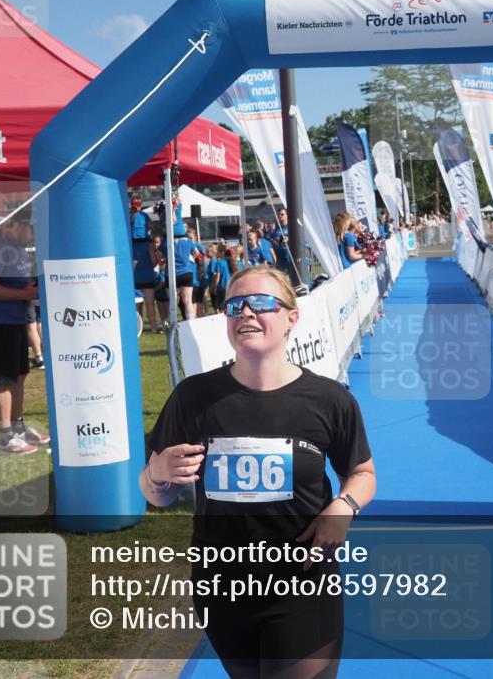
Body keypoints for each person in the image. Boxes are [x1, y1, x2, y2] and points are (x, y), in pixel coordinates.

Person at [140, 266, 375, 679]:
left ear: (291, 317)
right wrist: (157, 473)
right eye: (234, 305)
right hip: (221, 588)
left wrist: (343, 506)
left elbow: (362, 471)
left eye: (262, 303)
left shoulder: (329, 400)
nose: (246, 312)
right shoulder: (192, 398)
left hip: (303, 583)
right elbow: (156, 495)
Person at [0, 206, 49, 454]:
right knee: (4, 379)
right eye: (31, 228)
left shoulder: (17, 249)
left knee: (20, 375)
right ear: (12, 226)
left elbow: (19, 282)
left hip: (16, 319)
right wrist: (25, 293)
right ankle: (5, 438)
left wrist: (33, 288)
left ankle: (18, 428)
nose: (33, 234)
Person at [130, 194, 160, 334]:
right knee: (149, 303)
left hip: (135, 274)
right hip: (146, 273)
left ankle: (138, 330)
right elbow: (154, 262)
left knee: (137, 305)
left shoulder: (129, 216)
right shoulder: (149, 245)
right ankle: (153, 327)